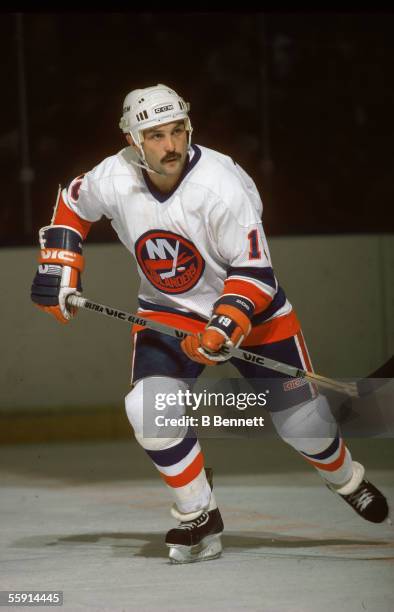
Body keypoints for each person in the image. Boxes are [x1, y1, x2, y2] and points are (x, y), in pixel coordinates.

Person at [31, 84, 389, 564]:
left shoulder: (221, 185)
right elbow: (72, 204)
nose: (171, 146)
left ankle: (346, 478)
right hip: (167, 312)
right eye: (155, 135)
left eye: (178, 131)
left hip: (255, 316)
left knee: (304, 426)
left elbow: (255, 272)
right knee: (147, 410)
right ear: (132, 138)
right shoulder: (113, 176)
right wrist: (59, 266)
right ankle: (199, 514)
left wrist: (223, 327)